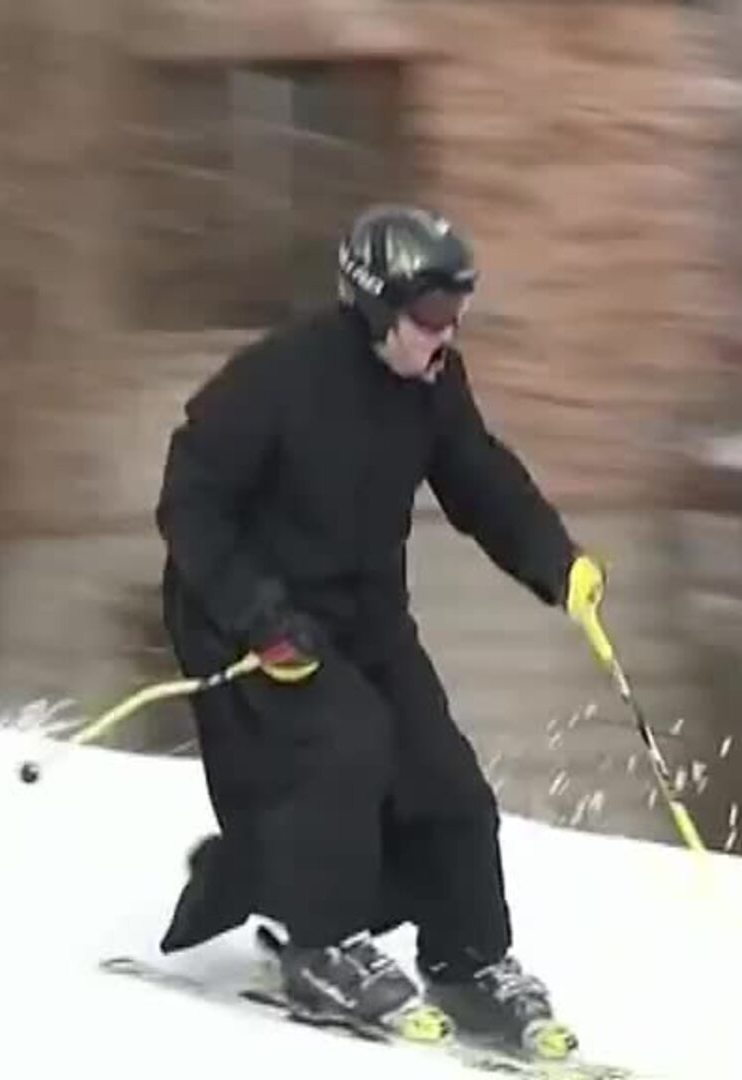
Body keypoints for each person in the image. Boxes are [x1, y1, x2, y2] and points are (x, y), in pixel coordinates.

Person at [150, 203, 607, 1058]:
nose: (446, 335)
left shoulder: (432, 385)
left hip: (362, 613)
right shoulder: (278, 379)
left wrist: (559, 564)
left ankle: (469, 959)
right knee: (345, 744)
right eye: (432, 315)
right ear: (375, 303)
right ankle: (317, 942)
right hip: (249, 612)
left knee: (447, 777)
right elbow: (191, 499)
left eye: (456, 315)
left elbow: (482, 482)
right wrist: (257, 615)